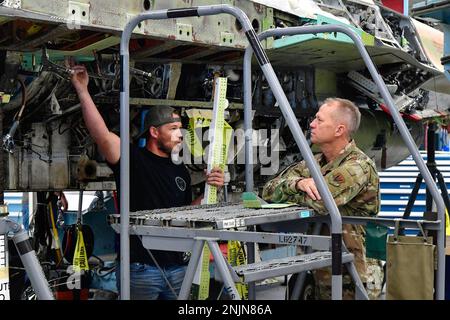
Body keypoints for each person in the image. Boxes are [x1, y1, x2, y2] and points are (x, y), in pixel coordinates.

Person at [70, 64, 224, 300]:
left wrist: (208, 193)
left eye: (180, 129)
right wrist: (82, 90)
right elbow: (101, 134)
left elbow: (184, 214)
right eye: (173, 129)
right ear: (154, 132)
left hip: (178, 268)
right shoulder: (133, 160)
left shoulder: (180, 171)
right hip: (141, 269)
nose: (180, 135)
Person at [262, 97, 383, 300]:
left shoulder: (358, 166)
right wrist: (299, 183)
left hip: (354, 273)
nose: (312, 124)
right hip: (323, 268)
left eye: (319, 120)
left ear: (339, 130)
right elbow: (267, 191)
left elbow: (320, 202)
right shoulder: (314, 162)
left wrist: (292, 190)